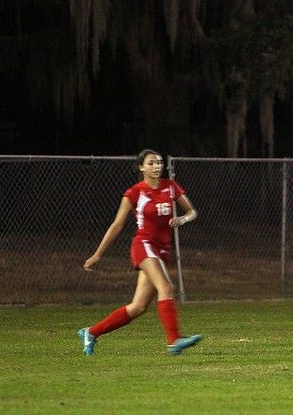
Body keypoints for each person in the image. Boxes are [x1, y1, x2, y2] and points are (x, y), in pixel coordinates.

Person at [77, 149, 202, 356]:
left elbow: (192, 211)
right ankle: (174, 340)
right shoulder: (135, 192)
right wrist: (98, 254)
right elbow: (116, 225)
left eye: (159, 163)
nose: (157, 166)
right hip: (143, 245)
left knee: (139, 307)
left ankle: (91, 332)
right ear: (141, 167)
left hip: (161, 250)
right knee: (166, 287)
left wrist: (182, 219)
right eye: (151, 163)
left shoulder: (170, 187)